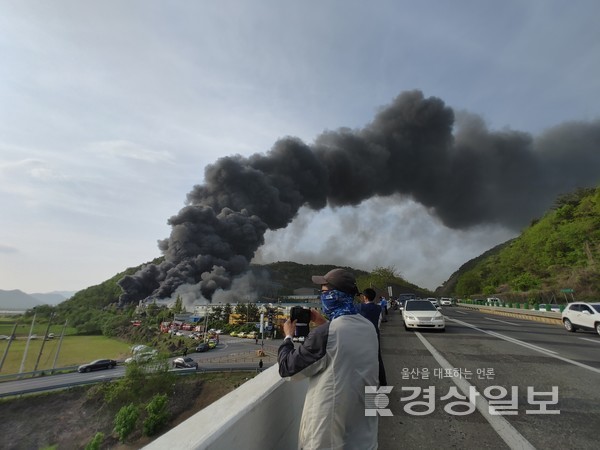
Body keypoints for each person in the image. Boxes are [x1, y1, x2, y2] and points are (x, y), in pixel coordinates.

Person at [278, 268, 379, 450]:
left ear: (334, 296)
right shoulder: (368, 326)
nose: (322, 297)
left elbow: (288, 369)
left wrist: (287, 337)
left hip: (328, 438)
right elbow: (340, 342)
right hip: (365, 435)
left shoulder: (325, 334)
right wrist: (324, 323)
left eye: (324, 292)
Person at [359, 288, 388, 386]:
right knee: (377, 358)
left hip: (363, 335)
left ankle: (366, 384)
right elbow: (380, 320)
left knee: (363, 359)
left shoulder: (360, 307)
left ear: (365, 297)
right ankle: (383, 383)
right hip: (375, 333)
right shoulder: (378, 308)